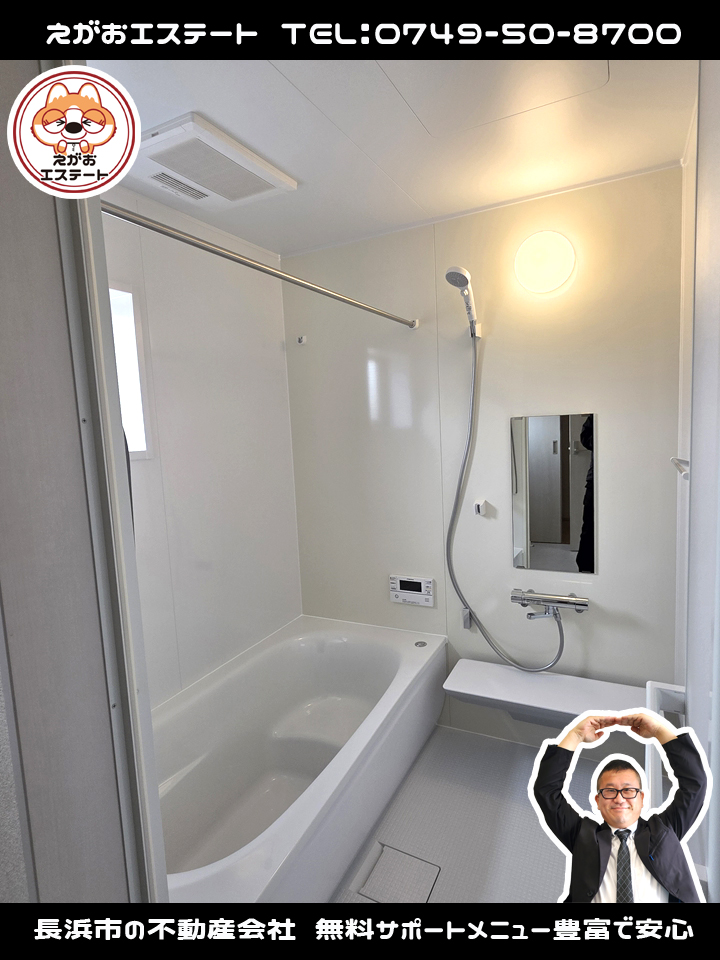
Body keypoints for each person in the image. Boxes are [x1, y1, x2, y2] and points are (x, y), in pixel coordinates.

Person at [531, 711, 708, 903]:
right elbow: (546, 791)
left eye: (628, 790)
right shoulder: (582, 836)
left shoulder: (664, 831)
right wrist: (575, 735)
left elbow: (694, 785)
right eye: (609, 791)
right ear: (597, 801)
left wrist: (659, 730)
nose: (619, 799)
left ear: (641, 798)